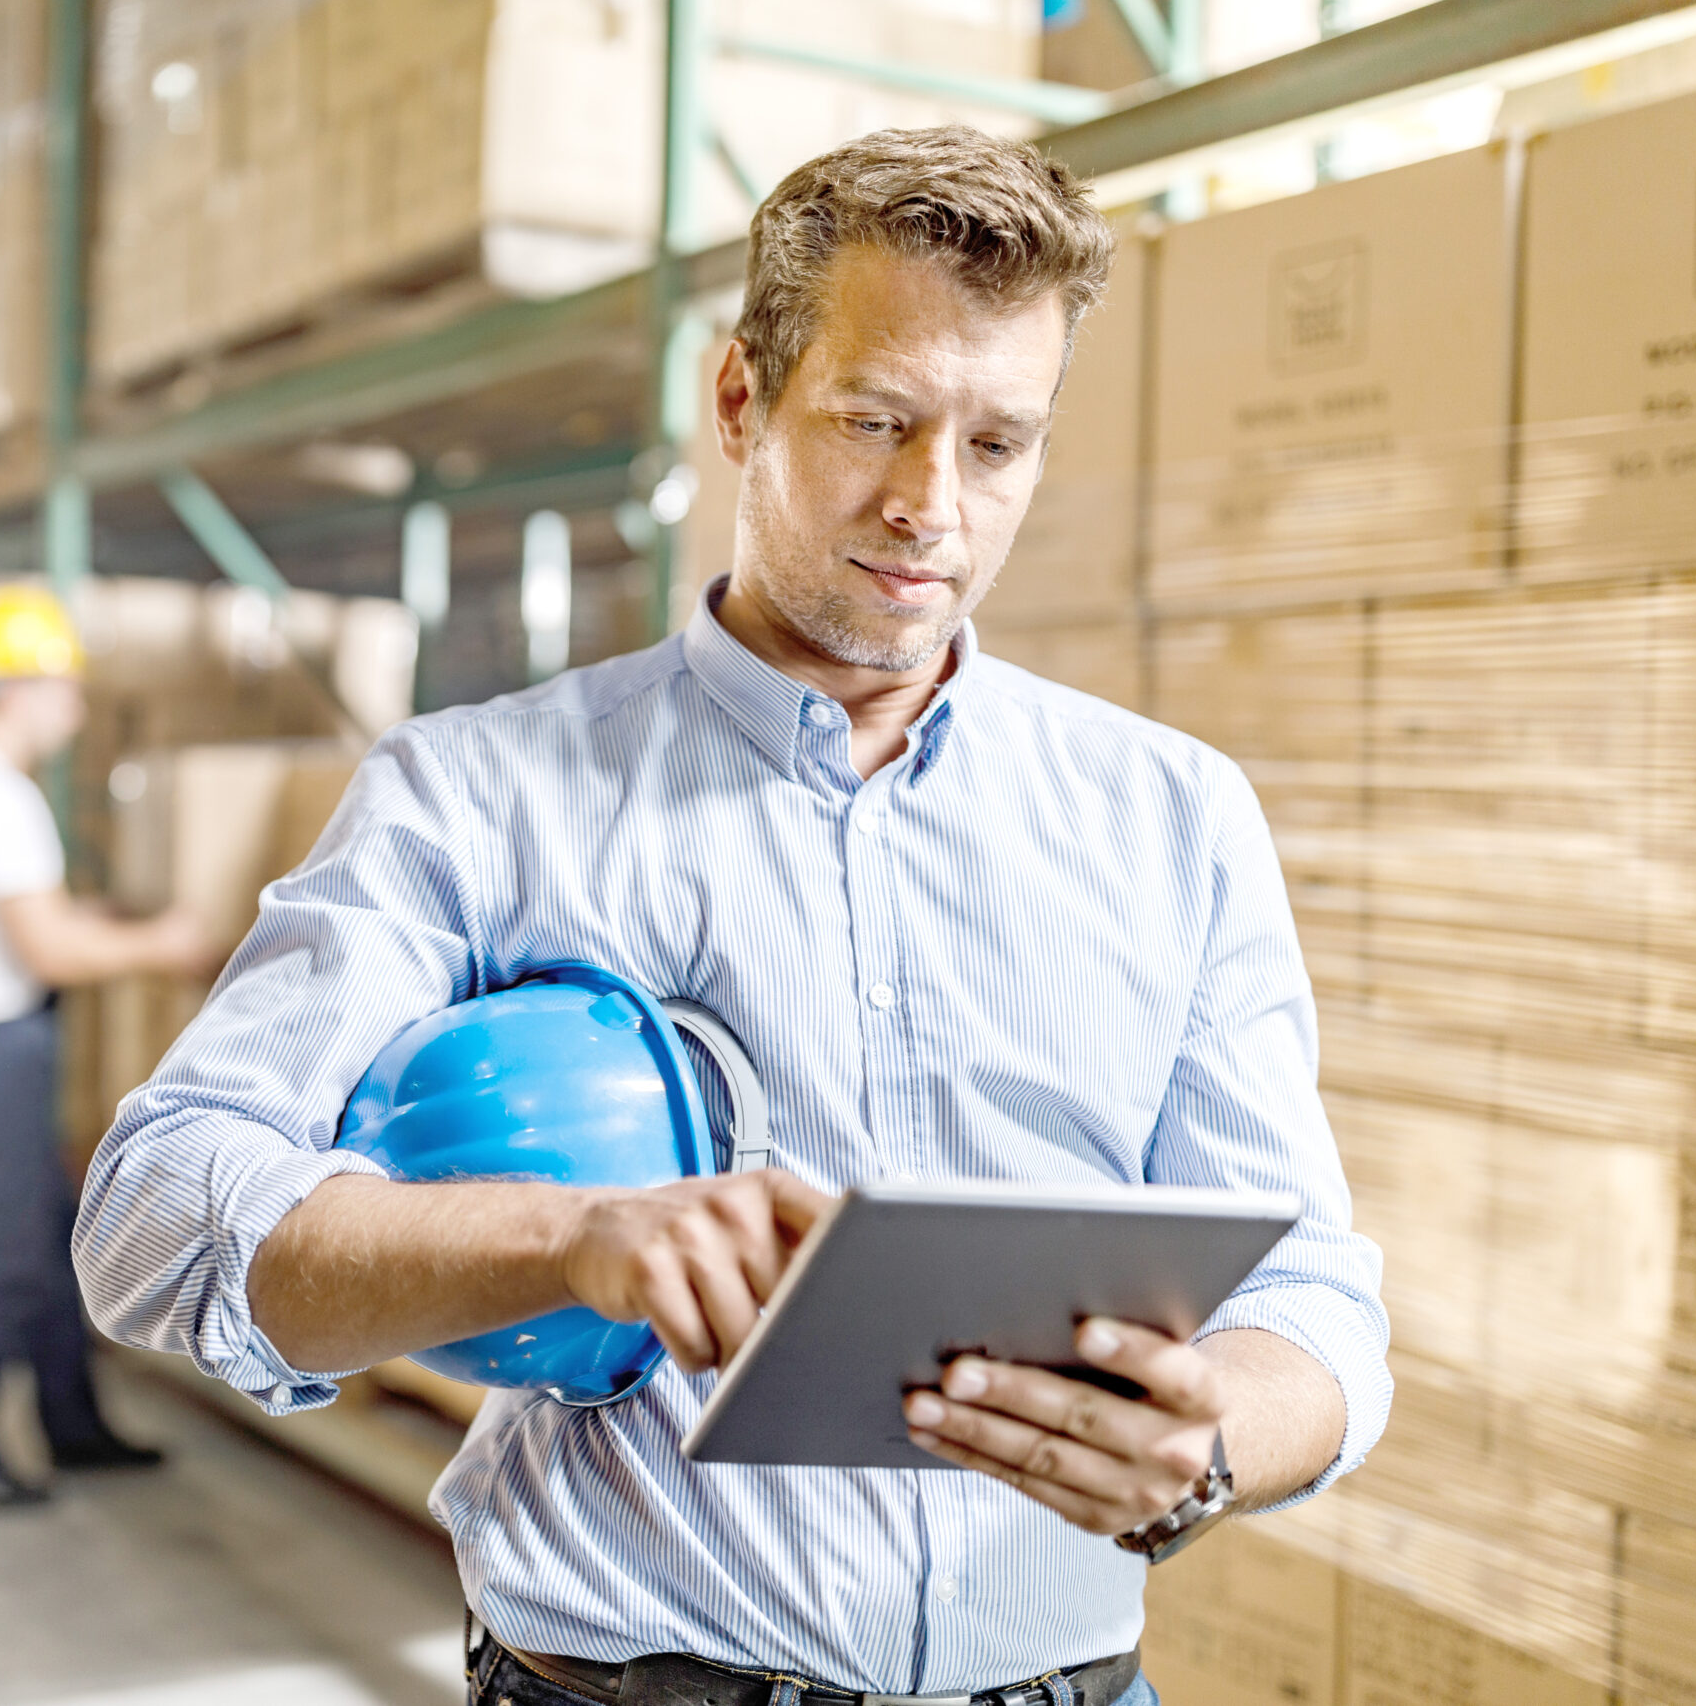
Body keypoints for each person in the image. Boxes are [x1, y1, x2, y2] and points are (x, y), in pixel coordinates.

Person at [75, 128, 1391, 1704]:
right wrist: (566, 1237)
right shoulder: (482, 796)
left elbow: (1312, 1294)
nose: (929, 506)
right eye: (877, 419)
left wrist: (1209, 1436)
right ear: (740, 399)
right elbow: (152, 1209)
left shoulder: (1174, 817)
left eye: (997, 444)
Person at [0, 584, 220, 1508]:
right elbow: (47, 947)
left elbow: (26, 918)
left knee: (43, 1242)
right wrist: (164, 944)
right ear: (17, 689)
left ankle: (72, 1426)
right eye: (64, 682)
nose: (76, 703)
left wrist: (106, 916)